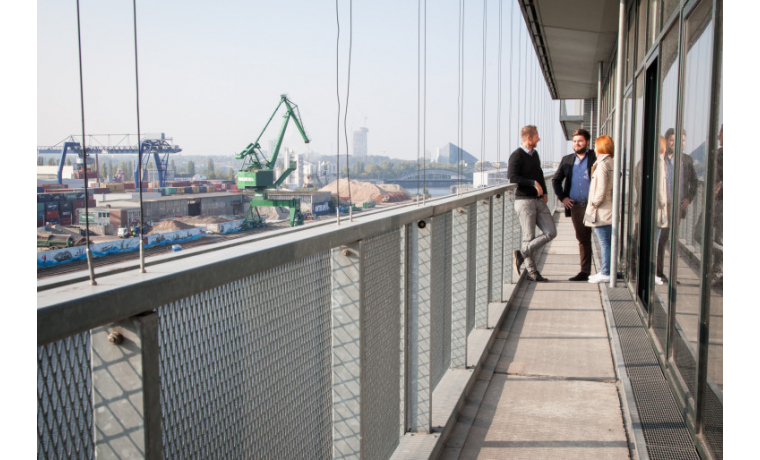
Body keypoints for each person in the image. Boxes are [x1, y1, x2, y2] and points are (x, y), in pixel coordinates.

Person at [509, 125, 557, 282]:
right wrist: (532, 183)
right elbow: (512, 177)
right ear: (529, 138)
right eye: (536, 136)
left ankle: (521, 254)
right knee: (529, 237)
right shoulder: (516, 156)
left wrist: (545, 192)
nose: (539, 139)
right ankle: (532, 273)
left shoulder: (535, 154)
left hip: (538, 200)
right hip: (524, 201)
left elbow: (540, 173)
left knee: (551, 232)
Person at [552, 129, 597, 281]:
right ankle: (585, 272)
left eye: (580, 141)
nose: (577, 144)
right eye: (575, 141)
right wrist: (563, 198)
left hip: (595, 206)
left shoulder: (596, 157)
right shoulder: (567, 160)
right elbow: (556, 180)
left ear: (587, 142)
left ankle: (608, 270)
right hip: (577, 207)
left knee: (605, 238)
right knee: (583, 239)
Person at [656, 128, 698, 283]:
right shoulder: (660, 158)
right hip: (661, 206)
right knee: (660, 240)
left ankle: (670, 275)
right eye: (673, 140)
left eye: (682, 141)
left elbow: (694, 182)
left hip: (677, 207)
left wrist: (688, 198)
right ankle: (658, 273)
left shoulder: (686, 160)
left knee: (670, 241)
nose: (678, 144)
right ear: (667, 141)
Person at [584, 135, 614, 283]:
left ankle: (606, 272)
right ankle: (605, 270)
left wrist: (594, 203)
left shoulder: (602, 164)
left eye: (596, 146)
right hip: (607, 209)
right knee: (607, 242)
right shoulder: (610, 162)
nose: (594, 149)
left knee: (605, 243)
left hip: (601, 211)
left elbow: (601, 189)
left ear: (601, 147)